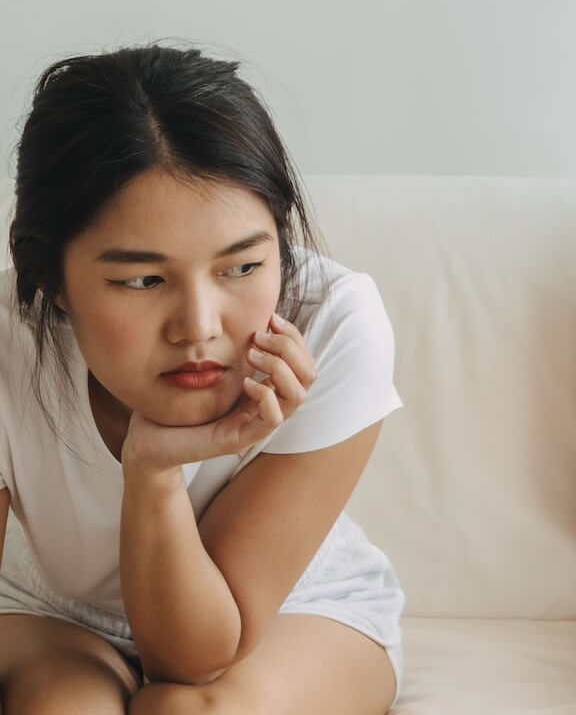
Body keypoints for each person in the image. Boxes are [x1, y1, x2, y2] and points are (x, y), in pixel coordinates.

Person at [0, 45, 405, 714]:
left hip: (293, 608)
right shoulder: (9, 340)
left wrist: (155, 470)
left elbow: (191, 660)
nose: (198, 327)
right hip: (51, 609)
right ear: (52, 280)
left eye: (241, 267)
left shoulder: (334, 323)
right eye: (142, 280)